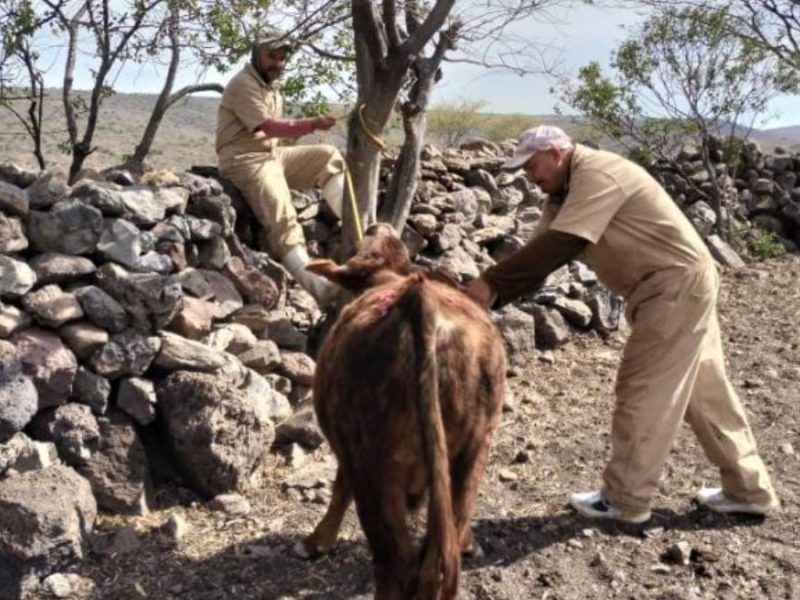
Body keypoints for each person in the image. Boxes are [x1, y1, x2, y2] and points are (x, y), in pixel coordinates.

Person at [466, 125, 779, 524]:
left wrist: (489, 285)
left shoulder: (597, 173)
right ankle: (748, 489)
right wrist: (487, 296)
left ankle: (625, 499)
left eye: (532, 165)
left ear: (557, 153)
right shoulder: (562, 195)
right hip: (676, 286)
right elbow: (537, 257)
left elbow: (561, 245)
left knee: (643, 387)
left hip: (672, 287)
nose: (529, 174)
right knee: (705, 391)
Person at [216, 29, 345, 306]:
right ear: (256, 54)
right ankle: (323, 292)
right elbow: (268, 126)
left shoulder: (269, 87)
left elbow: (274, 135)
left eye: (282, 57)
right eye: (271, 56)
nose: (278, 63)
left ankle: (354, 227)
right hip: (245, 160)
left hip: (271, 154)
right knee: (283, 217)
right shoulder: (243, 84)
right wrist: (311, 123)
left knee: (328, 156)